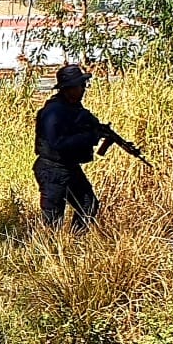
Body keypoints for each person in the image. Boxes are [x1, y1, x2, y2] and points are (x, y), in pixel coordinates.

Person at [33, 64, 102, 231]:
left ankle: (76, 244)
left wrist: (96, 130)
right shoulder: (53, 111)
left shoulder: (75, 109)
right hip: (52, 170)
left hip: (69, 168)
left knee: (88, 204)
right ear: (69, 89)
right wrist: (88, 137)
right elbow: (56, 143)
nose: (84, 89)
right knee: (53, 221)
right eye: (81, 85)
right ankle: (51, 253)